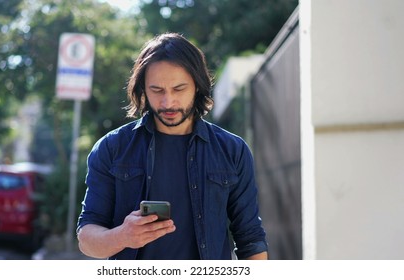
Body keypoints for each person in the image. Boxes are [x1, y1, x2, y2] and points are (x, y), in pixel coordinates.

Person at [76, 32, 268, 260]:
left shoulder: (232, 150)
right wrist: (123, 236)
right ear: (143, 89)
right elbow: (87, 238)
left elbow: (250, 238)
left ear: (197, 86)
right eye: (157, 90)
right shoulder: (112, 148)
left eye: (179, 89)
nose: (168, 102)